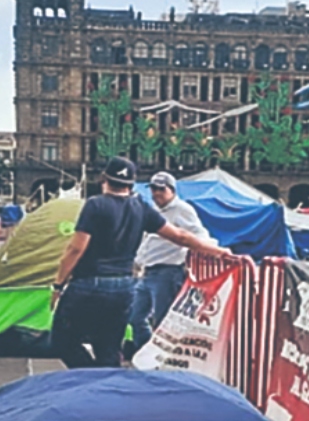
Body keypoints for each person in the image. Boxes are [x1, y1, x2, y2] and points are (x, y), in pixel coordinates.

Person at [50, 157, 230, 369]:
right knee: (108, 346)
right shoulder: (141, 208)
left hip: (90, 283)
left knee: (63, 340)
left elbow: (76, 249)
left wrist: (58, 285)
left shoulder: (95, 205)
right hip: (124, 286)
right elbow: (180, 236)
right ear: (131, 184)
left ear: (103, 179)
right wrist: (218, 251)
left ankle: (89, 375)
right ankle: (105, 387)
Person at [129, 172, 212, 353]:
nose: (156, 193)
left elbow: (199, 234)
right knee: (135, 316)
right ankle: (147, 353)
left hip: (168, 272)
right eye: (153, 189)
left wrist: (212, 250)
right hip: (148, 272)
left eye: (161, 189)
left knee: (163, 320)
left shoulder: (182, 209)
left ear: (172, 190)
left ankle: (162, 357)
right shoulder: (155, 210)